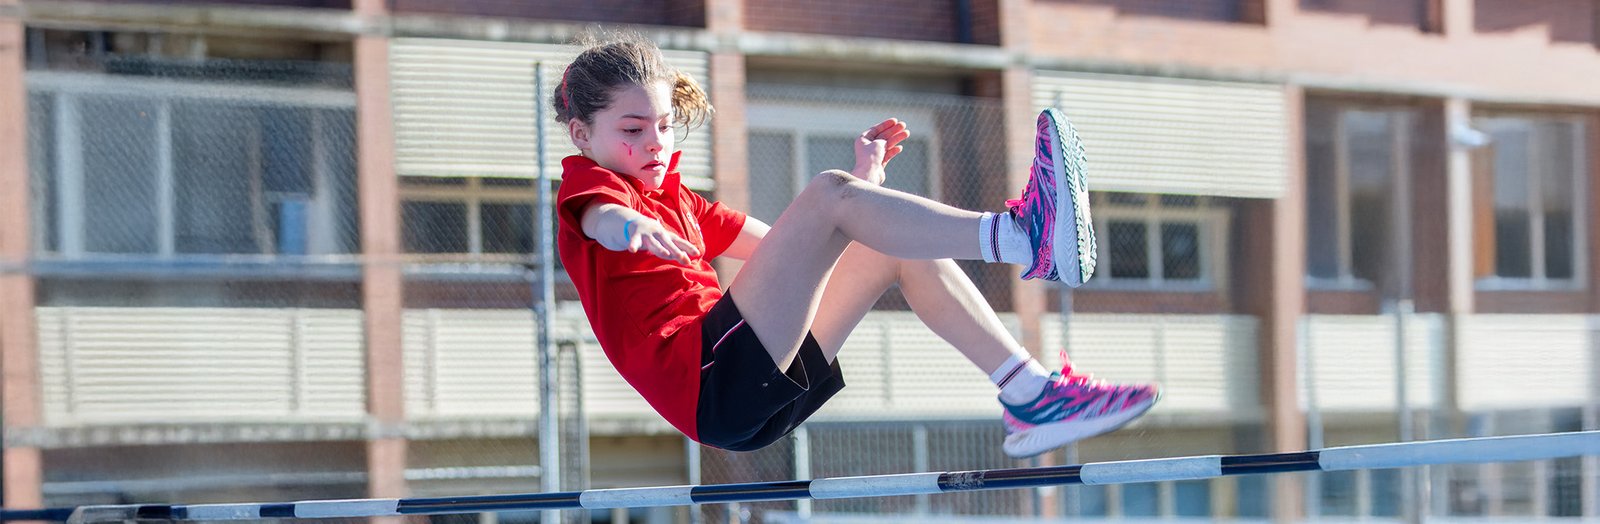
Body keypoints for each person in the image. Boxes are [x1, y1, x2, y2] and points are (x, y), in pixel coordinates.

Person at [554, 35, 1158, 458]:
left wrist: (863, 193)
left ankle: (1031, 396)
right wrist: (624, 228)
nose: (655, 143)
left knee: (880, 244)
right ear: (583, 133)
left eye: (663, 125)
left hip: (749, 392)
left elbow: (803, 253)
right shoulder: (595, 189)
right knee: (826, 194)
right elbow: (599, 219)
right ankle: (1023, 237)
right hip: (709, 381)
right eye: (632, 131)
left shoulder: (683, 203)